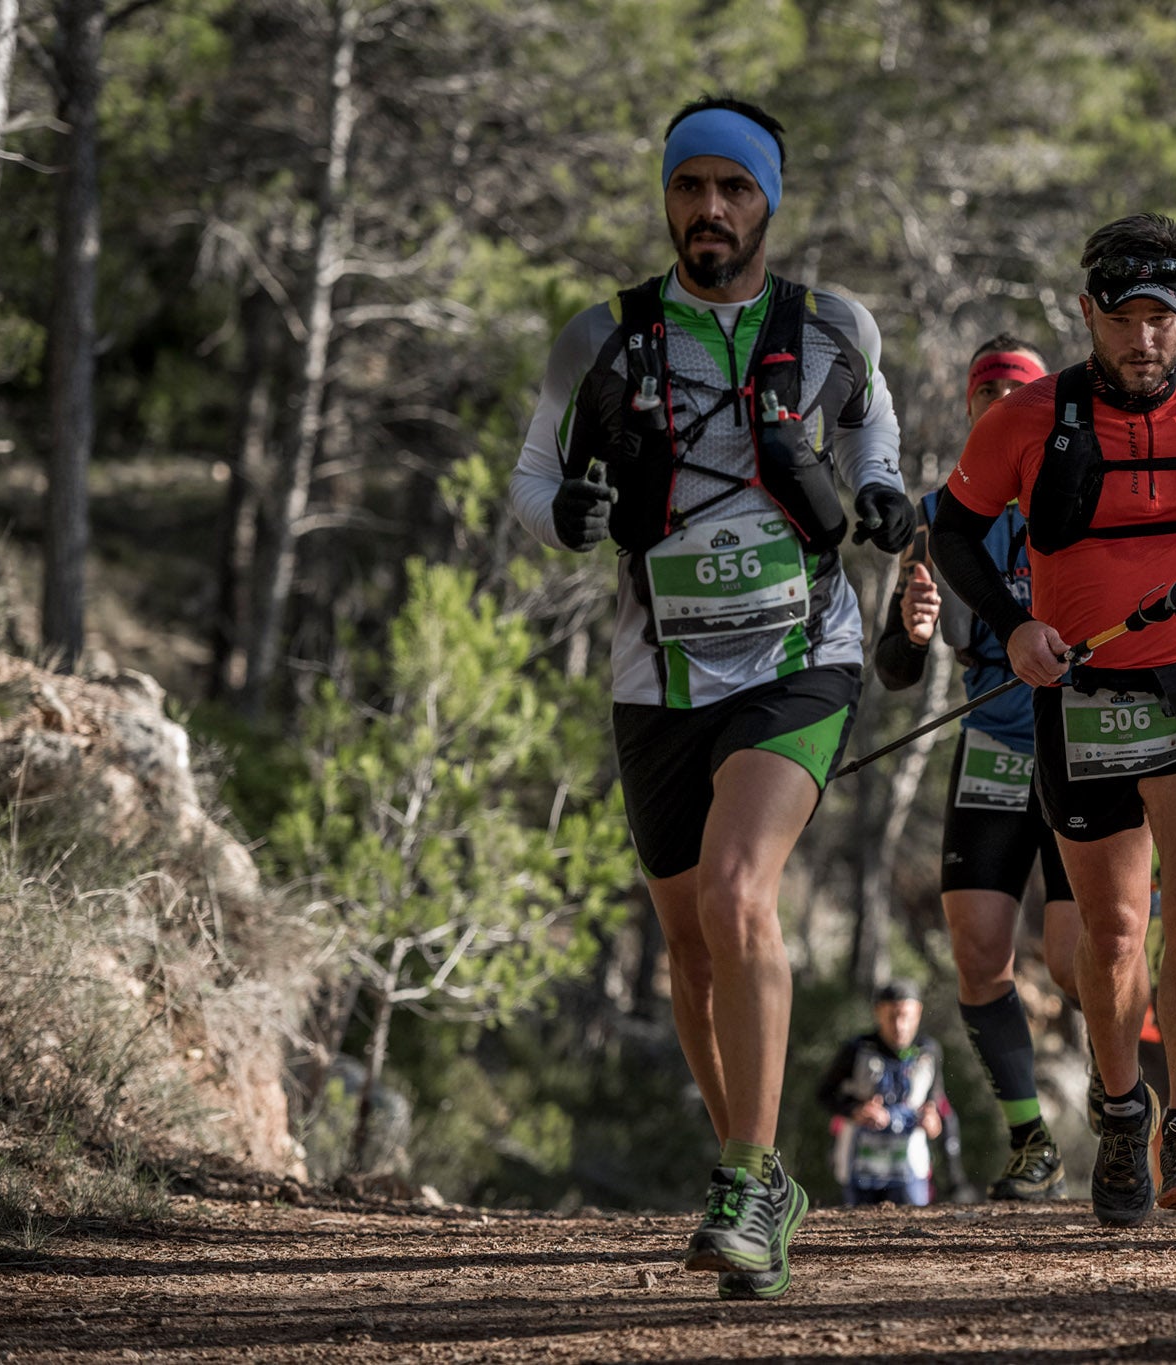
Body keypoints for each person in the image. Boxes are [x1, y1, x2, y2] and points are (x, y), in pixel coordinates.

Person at [509, 95, 914, 1301]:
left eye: (733, 191)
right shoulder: (598, 338)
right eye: (690, 189)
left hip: (802, 654)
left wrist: (886, 502)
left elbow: (877, 448)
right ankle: (758, 1175)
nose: (709, 211)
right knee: (689, 946)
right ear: (668, 200)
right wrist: (571, 517)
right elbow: (534, 483)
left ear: (766, 205)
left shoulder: (835, 327)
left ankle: (745, 1182)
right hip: (657, 673)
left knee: (741, 893)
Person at [929, 213, 1176, 1227]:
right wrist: (1011, 627)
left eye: (1159, 318)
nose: (1140, 340)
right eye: (1120, 318)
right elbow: (952, 532)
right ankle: (1116, 1108)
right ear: (1086, 312)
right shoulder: (1026, 420)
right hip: (1079, 698)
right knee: (1109, 931)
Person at [873, 336, 1078, 1202]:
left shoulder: (1077, 496)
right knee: (979, 951)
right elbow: (895, 668)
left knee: (1078, 959)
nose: (1000, 409)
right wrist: (912, 632)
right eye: (985, 397)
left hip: (1081, 747)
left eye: (1017, 396)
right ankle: (1031, 1138)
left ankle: (1122, 1111)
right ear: (970, 411)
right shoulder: (936, 516)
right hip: (991, 743)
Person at [817, 980, 956, 1206]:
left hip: (910, 1169)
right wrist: (855, 1109)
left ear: (918, 1012)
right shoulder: (858, 1049)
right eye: (892, 1016)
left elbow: (936, 1101)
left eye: (906, 1016)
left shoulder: (929, 1051)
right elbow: (824, 1094)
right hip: (859, 1169)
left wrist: (933, 1119)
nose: (899, 1025)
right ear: (878, 1013)